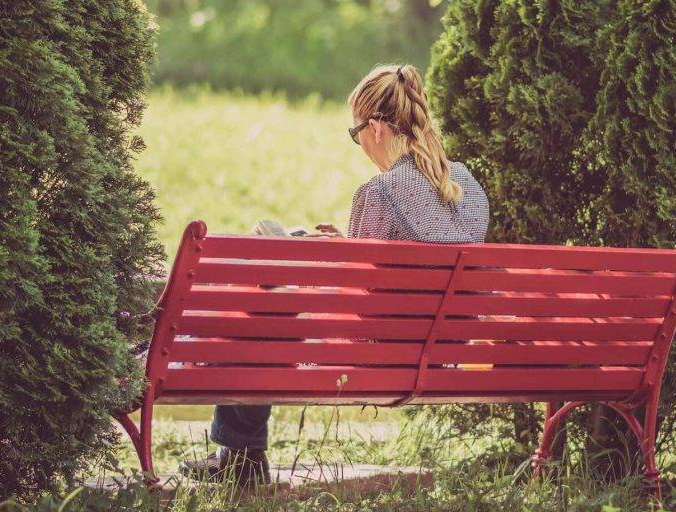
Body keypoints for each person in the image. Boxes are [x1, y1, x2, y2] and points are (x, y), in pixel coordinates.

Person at [178, 64, 490, 485]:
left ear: (377, 128)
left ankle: (240, 460)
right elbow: (404, 266)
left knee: (263, 314)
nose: (358, 142)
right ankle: (238, 459)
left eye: (355, 131)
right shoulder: (466, 185)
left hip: (376, 357)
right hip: (441, 352)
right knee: (269, 308)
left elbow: (356, 297)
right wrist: (347, 244)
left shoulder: (379, 192)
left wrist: (305, 265)